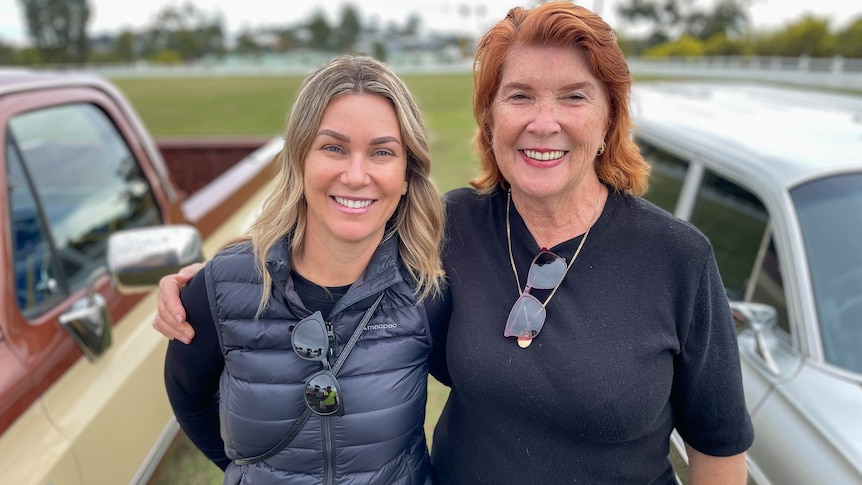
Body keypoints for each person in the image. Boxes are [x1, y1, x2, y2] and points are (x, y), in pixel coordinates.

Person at [154, 3, 754, 483]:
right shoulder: (448, 227)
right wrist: (208, 282)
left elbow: (719, 449)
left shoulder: (679, 259)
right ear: (490, 118)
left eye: (574, 96)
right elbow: (335, 229)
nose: (543, 121)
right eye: (519, 95)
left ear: (608, 120)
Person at [162, 54, 445, 484]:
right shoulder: (220, 287)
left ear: (406, 174)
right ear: (300, 158)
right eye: (334, 147)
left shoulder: (427, 290)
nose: (356, 175)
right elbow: (190, 401)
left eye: (382, 152)